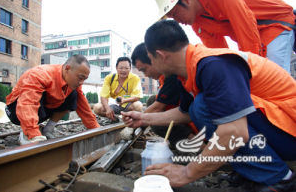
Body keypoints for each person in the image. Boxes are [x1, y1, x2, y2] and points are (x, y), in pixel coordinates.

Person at [122, 20, 296, 191]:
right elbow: (184, 113)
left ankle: (280, 179)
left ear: (161, 55)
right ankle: (252, 172)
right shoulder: (190, 71)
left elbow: (234, 131)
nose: (150, 67)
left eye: (150, 59)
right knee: (197, 108)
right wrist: (143, 118)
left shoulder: (214, 65)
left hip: (289, 131)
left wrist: (186, 173)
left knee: (203, 106)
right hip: (275, 128)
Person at [153, 0, 296, 72]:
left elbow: (244, 22)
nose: (177, 21)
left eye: (174, 14)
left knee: (274, 76)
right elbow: (220, 52)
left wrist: (251, 68)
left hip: (275, 22)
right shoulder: (197, 23)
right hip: (256, 34)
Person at [5, 55, 100, 145]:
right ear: (67, 68)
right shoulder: (41, 74)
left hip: (41, 110)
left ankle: (48, 129)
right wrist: (33, 133)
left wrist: (95, 128)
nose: (81, 82)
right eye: (80, 78)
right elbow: (28, 103)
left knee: (74, 94)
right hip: (16, 109)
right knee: (38, 95)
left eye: (84, 79)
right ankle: (27, 133)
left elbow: (83, 106)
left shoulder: (73, 83)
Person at [131, 43, 197, 146]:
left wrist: (138, 121)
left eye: (144, 70)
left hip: (199, 124)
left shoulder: (173, 76)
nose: (145, 75)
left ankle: (195, 143)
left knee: (155, 121)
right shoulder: (166, 77)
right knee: (152, 102)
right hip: (188, 115)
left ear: (155, 59)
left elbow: (157, 108)